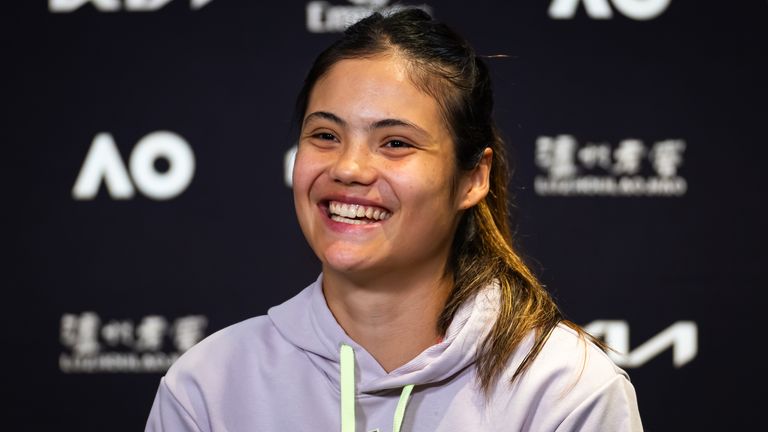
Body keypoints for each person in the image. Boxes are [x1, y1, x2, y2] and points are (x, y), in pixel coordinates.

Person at [145, 8, 643, 432]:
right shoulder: (207, 386)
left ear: (472, 178)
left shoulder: (564, 388)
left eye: (396, 143)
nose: (348, 168)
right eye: (324, 135)